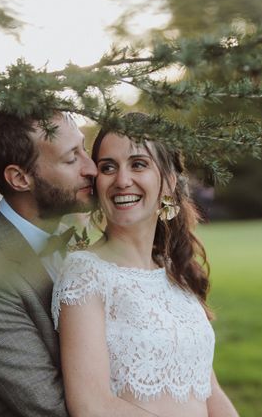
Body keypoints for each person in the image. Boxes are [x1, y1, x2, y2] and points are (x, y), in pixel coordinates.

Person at [52, 113, 240, 417]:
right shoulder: (85, 274)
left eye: (138, 164)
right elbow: (91, 406)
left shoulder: (174, 270)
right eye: (108, 167)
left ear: (168, 182)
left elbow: (210, 392)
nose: (122, 180)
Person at [0, 110, 97, 417]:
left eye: (84, 150)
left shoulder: (80, 239)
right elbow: (49, 408)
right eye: (71, 159)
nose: (91, 168)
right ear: (20, 178)